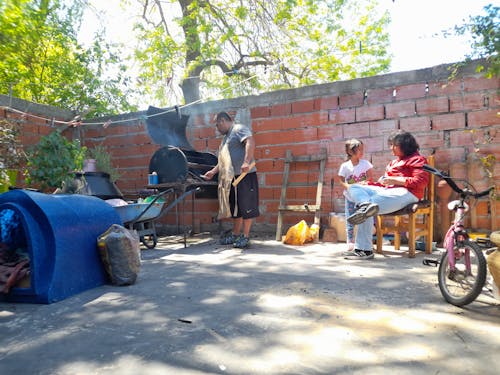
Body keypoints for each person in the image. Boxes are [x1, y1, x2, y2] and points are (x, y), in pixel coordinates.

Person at [344, 130, 429, 260]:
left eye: (393, 145)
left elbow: (420, 182)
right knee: (355, 187)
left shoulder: (418, 160)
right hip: (387, 191)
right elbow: (385, 184)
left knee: (369, 206)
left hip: (407, 192)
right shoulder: (393, 163)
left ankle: (364, 250)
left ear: (404, 145)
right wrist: (370, 184)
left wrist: (395, 180)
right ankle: (365, 205)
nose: (391, 148)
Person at [202, 111, 259, 248]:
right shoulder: (226, 138)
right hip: (232, 178)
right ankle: (235, 234)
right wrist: (213, 171)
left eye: (217, 125)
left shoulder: (238, 129)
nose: (217, 128)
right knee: (236, 208)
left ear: (222, 121)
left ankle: (245, 236)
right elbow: (223, 160)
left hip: (245, 175)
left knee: (247, 207)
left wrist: (246, 161)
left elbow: (250, 141)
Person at [337, 139, 374, 253]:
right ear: (350, 151)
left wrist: (366, 182)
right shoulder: (345, 166)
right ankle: (350, 240)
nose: (362, 152)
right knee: (350, 219)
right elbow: (341, 180)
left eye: (362, 149)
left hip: (363, 197)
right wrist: (347, 186)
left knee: (367, 217)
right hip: (350, 198)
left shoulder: (365, 164)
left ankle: (366, 241)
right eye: (359, 149)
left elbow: (370, 177)